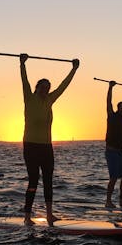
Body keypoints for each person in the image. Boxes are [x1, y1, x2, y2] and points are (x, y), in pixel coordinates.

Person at [20, 53, 80, 225]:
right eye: (42, 87)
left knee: (48, 180)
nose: (45, 90)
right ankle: (26, 217)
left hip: (46, 146)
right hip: (31, 145)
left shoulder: (50, 100)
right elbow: (24, 81)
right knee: (33, 180)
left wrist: (74, 69)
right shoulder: (29, 98)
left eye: (47, 88)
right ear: (37, 88)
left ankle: (49, 214)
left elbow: (64, 86)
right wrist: (22, 64)